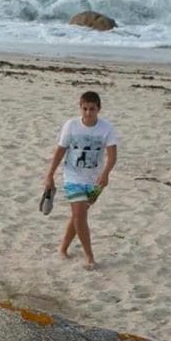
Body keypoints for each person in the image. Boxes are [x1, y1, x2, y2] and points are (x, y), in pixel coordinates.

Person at [41, 90, 118, 269]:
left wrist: (106, 174)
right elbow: (60, 150)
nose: (88, 113)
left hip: (96, 179)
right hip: (72, 176)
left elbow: (113, 156)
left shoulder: (107, 128)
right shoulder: (71, 125)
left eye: (92, 109)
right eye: (84, 108)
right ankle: (89, 256)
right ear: (80, 108)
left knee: (78, 216)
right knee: (79, 214)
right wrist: (50, 174)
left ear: (99, 109)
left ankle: (63, 249)